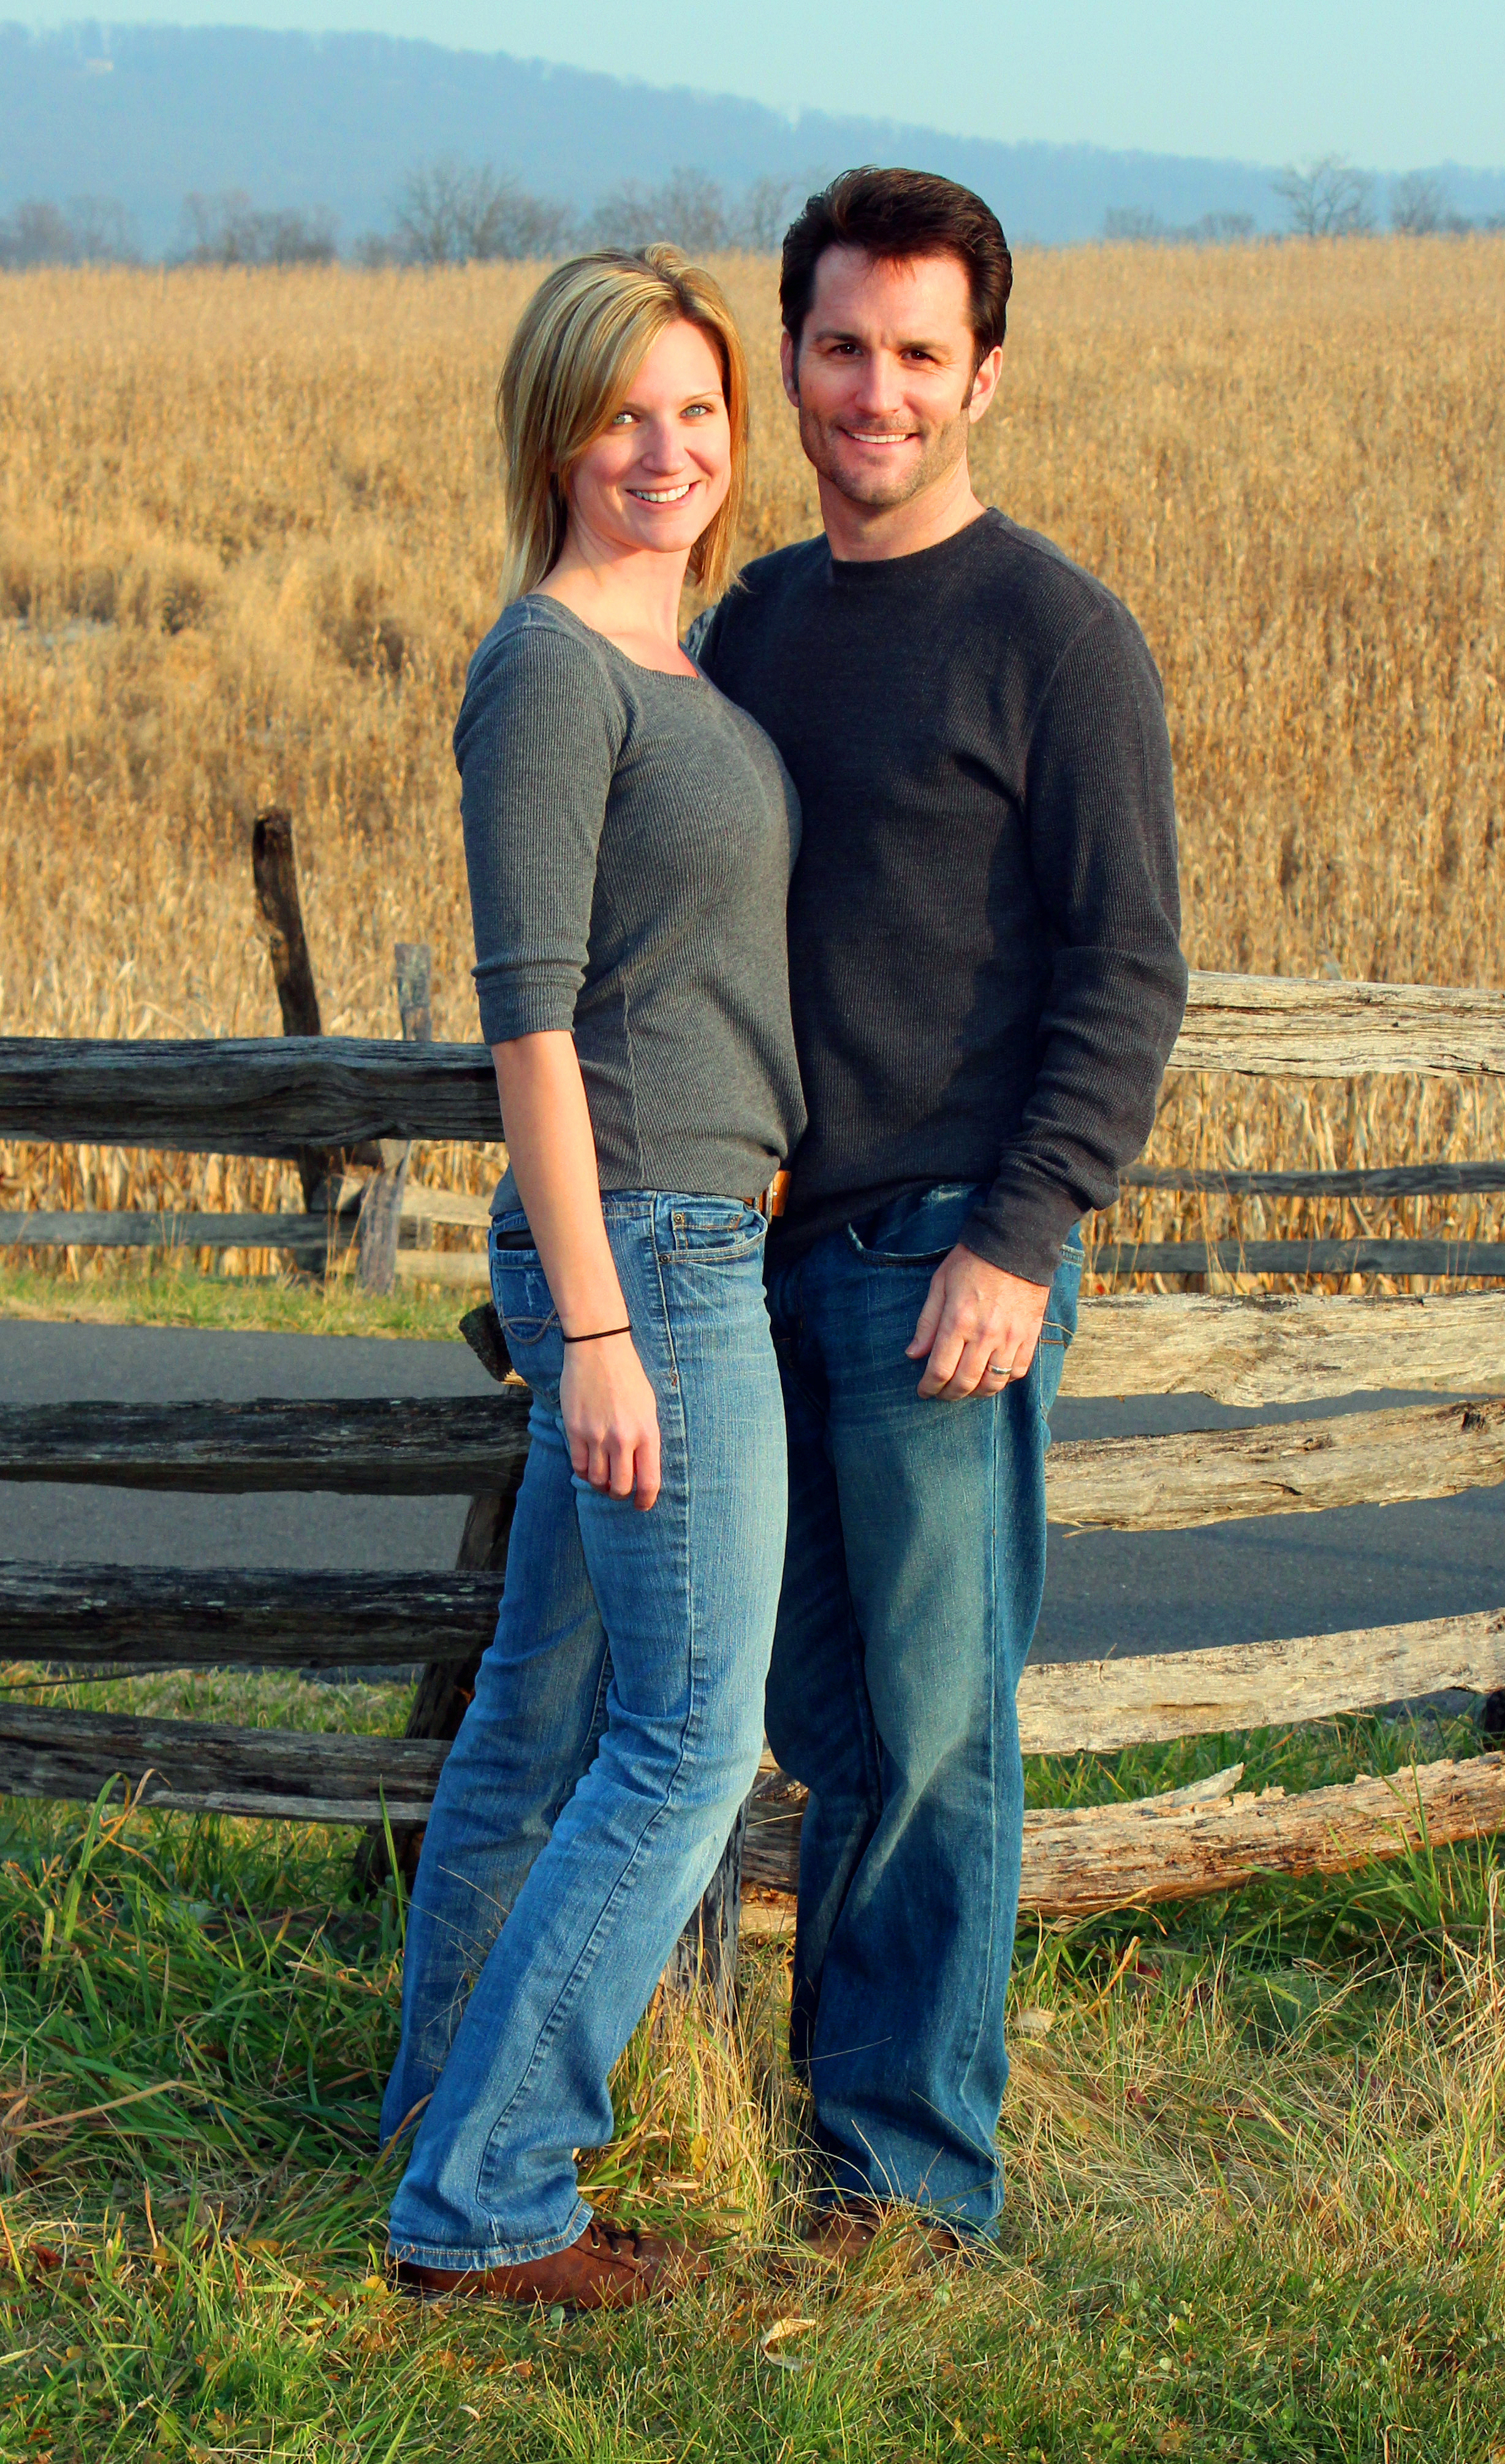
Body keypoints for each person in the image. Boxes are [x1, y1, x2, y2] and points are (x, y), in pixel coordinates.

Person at [689, 167, 1188, 2250]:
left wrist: (1021, 1232)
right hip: (762, 1258)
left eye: (917, 353)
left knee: (931, 1729)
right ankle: (824, 2131)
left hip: (937, 1270)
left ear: (983, 370)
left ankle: (908, 2182)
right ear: (791, 359)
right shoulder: (759, 622)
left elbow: (1126, 969)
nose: (873, 390)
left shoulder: (1055, 636)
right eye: (837, 347)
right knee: (805, 1712)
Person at [380, 245, 805, 2309]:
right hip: (643, 1254)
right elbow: (531, 1024)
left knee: (532, 1722)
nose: (669, 449)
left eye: (700, 413)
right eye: (625, 412)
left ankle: (428, 2127)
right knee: (688, 1742)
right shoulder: (552, 666)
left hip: (679, 1228)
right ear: (556, 430)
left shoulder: (685, 658)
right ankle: (489, 2203)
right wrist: (610, 1332)